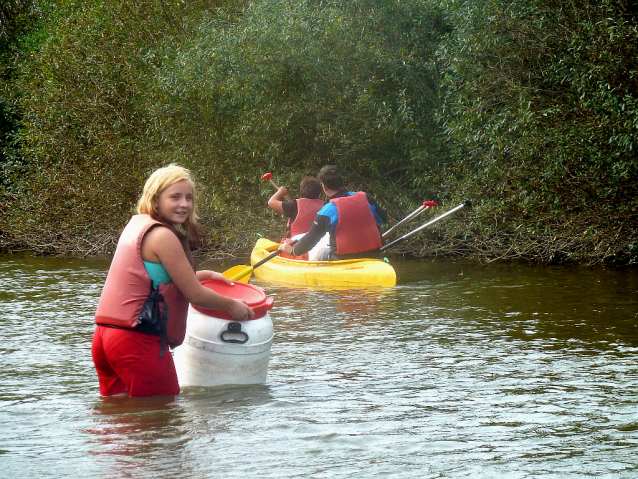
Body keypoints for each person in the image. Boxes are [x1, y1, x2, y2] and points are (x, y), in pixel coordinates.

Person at [91, 164, 254, 398]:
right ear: (155, 200)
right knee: (162, 414)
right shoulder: (163, 236)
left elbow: (154, 281)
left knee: (118, 420)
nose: (184, 204)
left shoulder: (138, 225)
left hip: (105, 338)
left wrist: (204, 275)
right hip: (136, 341)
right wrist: (232, 305)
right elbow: (195, 295)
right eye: (175, 197)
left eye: (189, 198)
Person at [279, 165, 388, 261]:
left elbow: (310, 241)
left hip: (343, 257)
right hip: (374, 252)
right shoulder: (365, 197)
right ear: (342, 180)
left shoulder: (327, 210)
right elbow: (383, 219)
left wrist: (292, 251)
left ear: (324, 187)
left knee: (321, 251)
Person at [267, 176, 324, 260]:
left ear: (301, 192)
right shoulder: (326, 206)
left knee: (276, 251)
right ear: (319, 194)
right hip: (317, 244)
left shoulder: (294, 205)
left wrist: (280, 192)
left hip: (295, 247)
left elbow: (271, 202)